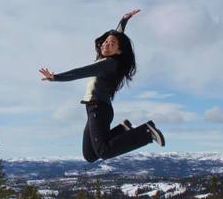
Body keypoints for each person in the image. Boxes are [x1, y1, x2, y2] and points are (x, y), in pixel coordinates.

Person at [39, 9, 165, 163]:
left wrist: (56, 77)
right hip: (94, 109)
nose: (106, 44)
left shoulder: (108, 63)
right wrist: (124, 20)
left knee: (104, 151)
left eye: (111, 44)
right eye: (106, 42)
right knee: (90, 155)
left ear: (118, 51)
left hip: (99, 109)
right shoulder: (106, 59)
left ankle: (146, 132)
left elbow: (82, 72)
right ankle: (122, 130)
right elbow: (117, 35)